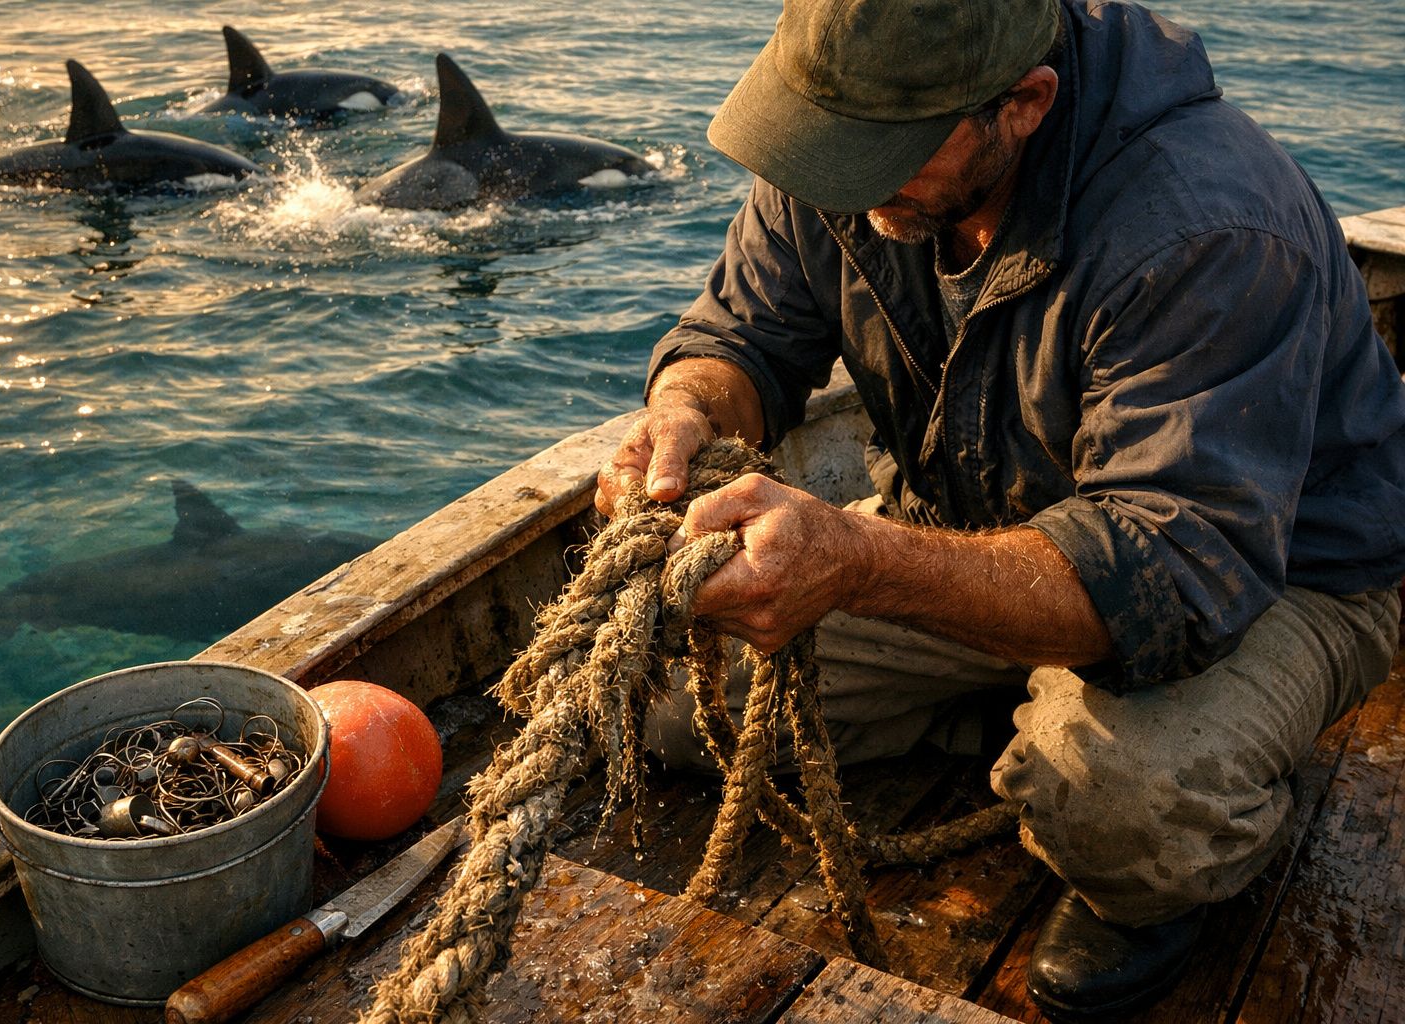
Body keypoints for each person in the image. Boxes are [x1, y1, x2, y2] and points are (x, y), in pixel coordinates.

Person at [594, 0, 1405, 1018]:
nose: (843, 178)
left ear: (1023, 103)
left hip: (1272, 581)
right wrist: (685, 409)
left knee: (1116, 801)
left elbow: (1170, 579)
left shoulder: (1206, 225)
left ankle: (1192, 823)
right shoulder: (844, 140)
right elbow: (744, 333)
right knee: (670, 701)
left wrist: (860, 562)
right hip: (977, 531)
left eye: (882, 153)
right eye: (828, 142)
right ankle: (1009, 699)